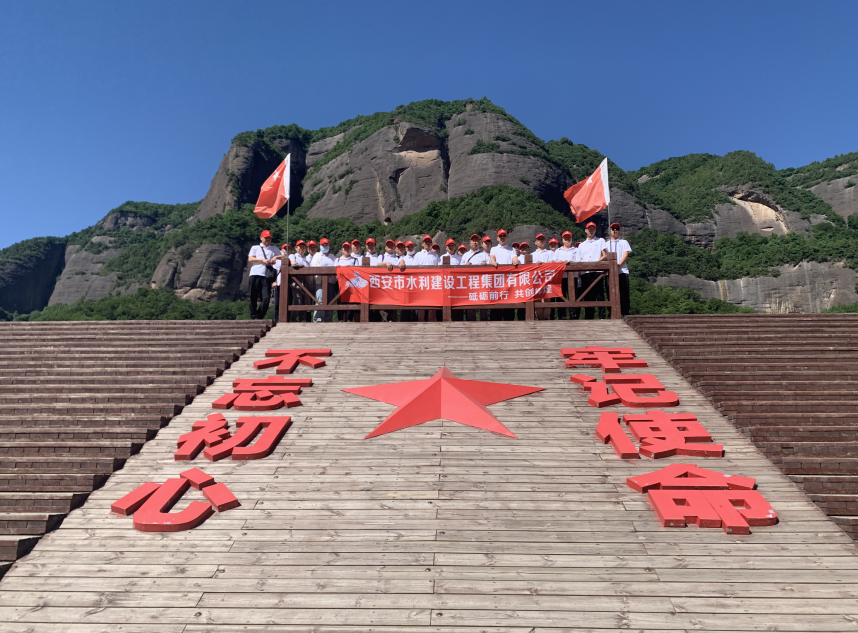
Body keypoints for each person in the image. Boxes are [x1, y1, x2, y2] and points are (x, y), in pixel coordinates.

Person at [248, 230, 282, 320]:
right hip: (255, 273)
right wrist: (262, 260)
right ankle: (254, 316)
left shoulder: (274, 248)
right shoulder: (255, 247)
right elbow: (250, 259)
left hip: (266, 276)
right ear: (261, 237)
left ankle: (259, 316)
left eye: (269, 238)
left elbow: (283, 256)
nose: (268, 239)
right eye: (266, 237)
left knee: (266, 298)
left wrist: (275, 257)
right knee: (253, 296)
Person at [577, 221, 608, 320]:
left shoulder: (600, 241)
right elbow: (579, 260)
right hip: (585, 272)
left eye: (593, 229)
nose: (591, 230)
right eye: (589, 229)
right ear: (585, 230)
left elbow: (605, 255)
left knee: (599, 294)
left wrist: (596, 263)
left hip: (597, 271)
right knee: (587, 295)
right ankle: (589, 317)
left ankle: (602, 316)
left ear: (595, 230)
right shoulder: (581, 245)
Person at [489, 229, 518, 321]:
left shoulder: (512, 249)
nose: (502, 238)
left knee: (509, 301)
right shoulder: (493, 249)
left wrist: (515, 261)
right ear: (497, 238)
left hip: (509, 280)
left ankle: (509, 321)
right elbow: (492, 257)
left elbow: (514, 258)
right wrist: (493, 262)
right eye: (500, 236)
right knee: (496, 302)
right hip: (497, 280)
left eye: (504, 236)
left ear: (506, 237)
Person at [606, 222, 632, 317]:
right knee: (610, 293)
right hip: (609, 273)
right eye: (613, 228)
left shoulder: (624, 242)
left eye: (617, 229)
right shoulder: (606, 244)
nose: (615, 230)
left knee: (624, 293)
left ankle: (625, 313)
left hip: (622, 271)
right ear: (610, 230)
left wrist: (618, 265)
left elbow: (625, 255)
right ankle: (611, 313)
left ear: (619, 231)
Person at [310, 237, 337, 322]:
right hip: (320, 281)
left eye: (326, 245)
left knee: (330, 301)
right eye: (323, 245)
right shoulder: (317, 255)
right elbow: (315, 267)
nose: (325, 246)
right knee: (320, 300)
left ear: (329, 246)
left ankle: (328, 320)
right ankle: (318, 320)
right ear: (320, 246)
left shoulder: (332, 256)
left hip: (331, 282)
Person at [553, 231, 578, 320]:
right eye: (565, 237)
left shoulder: (576, 250)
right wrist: (558, 262)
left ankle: (573, 316)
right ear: (562, 239)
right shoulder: (558, 251)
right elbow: (553, 261)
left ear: (571, 239)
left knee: (573, 297)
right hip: (561, 277)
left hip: (573, 276)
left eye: (569, 237)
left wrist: (570, 262)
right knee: (561, 296)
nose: (567, 239)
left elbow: (579, 260)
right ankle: (561, 316)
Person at [531, 234, 553, 320]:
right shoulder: (532, 254)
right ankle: (540, 318)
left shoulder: (550, 252)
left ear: (545, 241)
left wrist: (542, 265)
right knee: (538, 299)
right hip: (537, 280)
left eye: (542, 239)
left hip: (548, 279)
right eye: (539, 240)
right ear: (535, 242)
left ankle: (546, 317)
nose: (540, 241)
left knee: (548, 298)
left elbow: (551, 263)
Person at [288, 240, 311, 322]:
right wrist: (302, 267)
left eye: (303, 247)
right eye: (300, 246)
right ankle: (293, 319)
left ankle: (302, 320)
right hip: (296, 282)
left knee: (305, 302)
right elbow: (293, 264)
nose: (301, 248)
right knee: (298, 302)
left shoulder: (306, 259)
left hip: (306, 283)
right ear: (296, 248)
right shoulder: (293, 255)